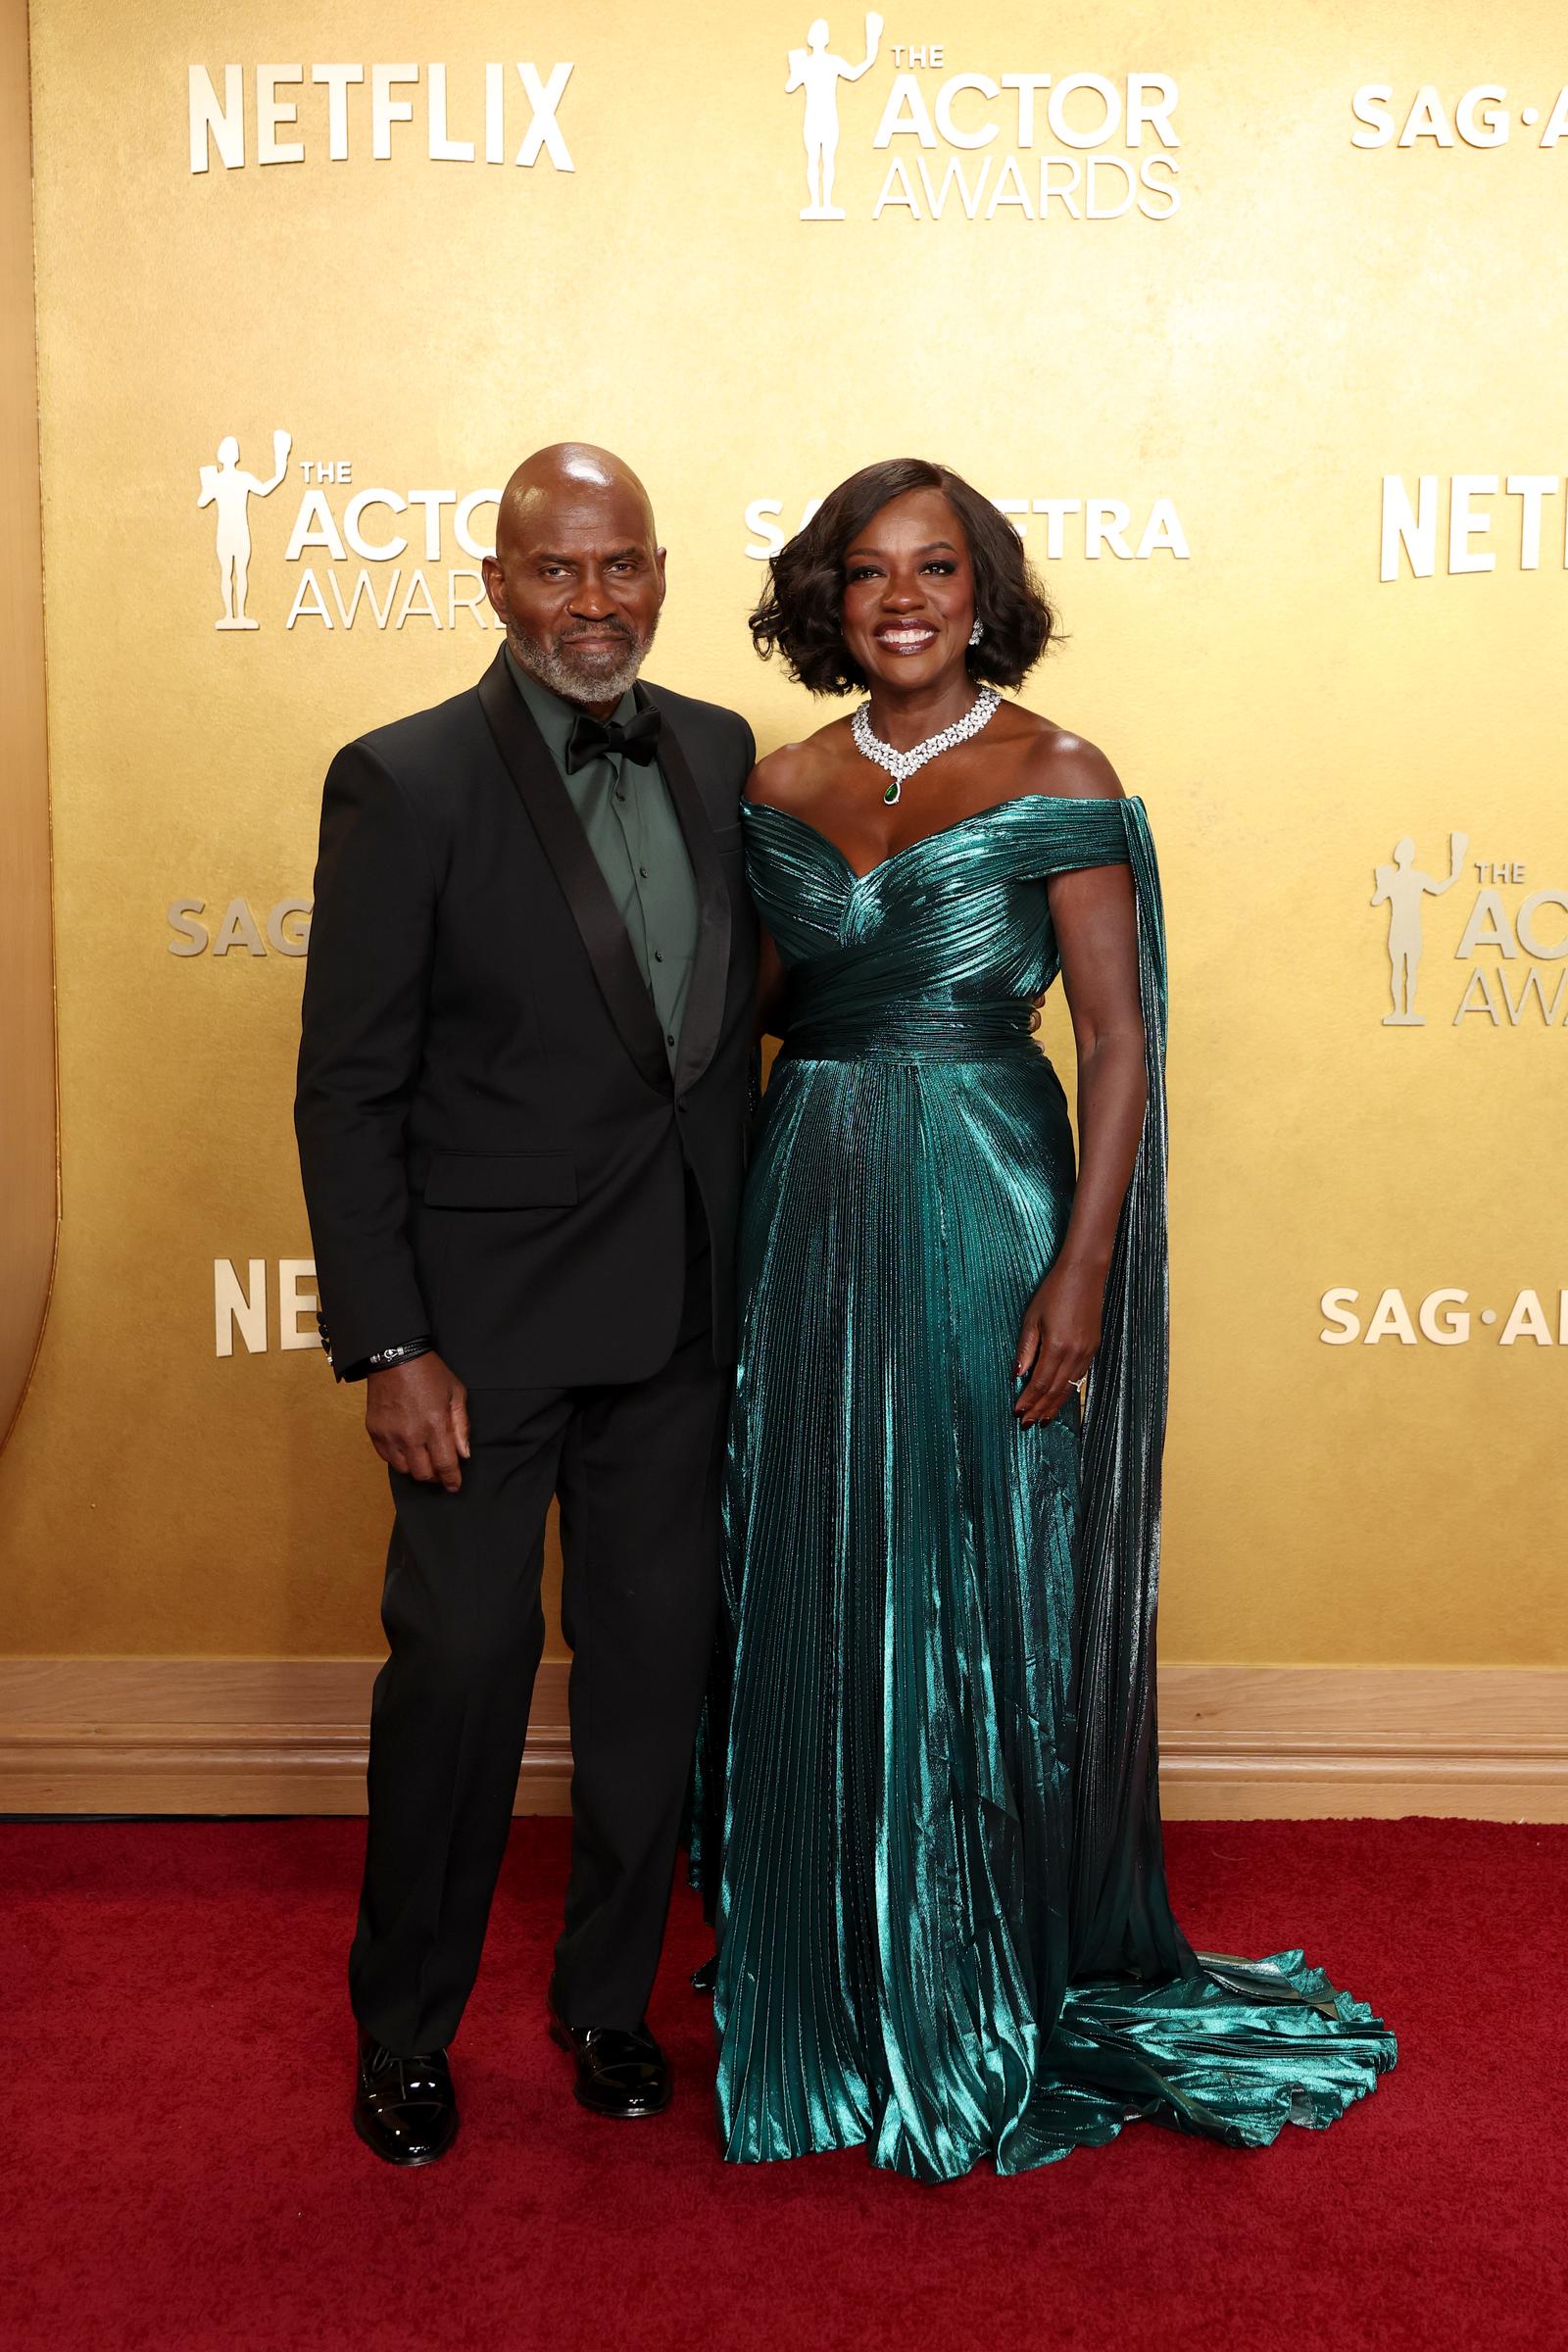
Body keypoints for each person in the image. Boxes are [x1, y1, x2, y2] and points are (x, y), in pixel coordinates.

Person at [697, 457, 1396, 2180]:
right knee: (821, 1540)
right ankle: (840, 1947)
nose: (904, 599)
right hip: (811, 1195)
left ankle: (979, 1945)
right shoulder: (777, 777)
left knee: (980, 1558)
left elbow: (1121, 1043)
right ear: (826, 599)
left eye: (938, 568)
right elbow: (749, 1011)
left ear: (984, 588)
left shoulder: (1057, 770)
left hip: (992, 1194)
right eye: (869, 574)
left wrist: (1081, 1266)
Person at [295, 443, 758, 2165]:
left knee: (652, 1676)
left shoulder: (717, 749)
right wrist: (391, 1341)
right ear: (494, 583)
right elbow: (347, 1086)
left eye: (622, 565)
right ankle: (404, 2032)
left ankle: (608, 2003)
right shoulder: (403, 781)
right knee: (466, 1671)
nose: (595, 601)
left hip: (684, 1313)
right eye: (557, 570)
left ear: (659, 572)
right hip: (476, 1342)